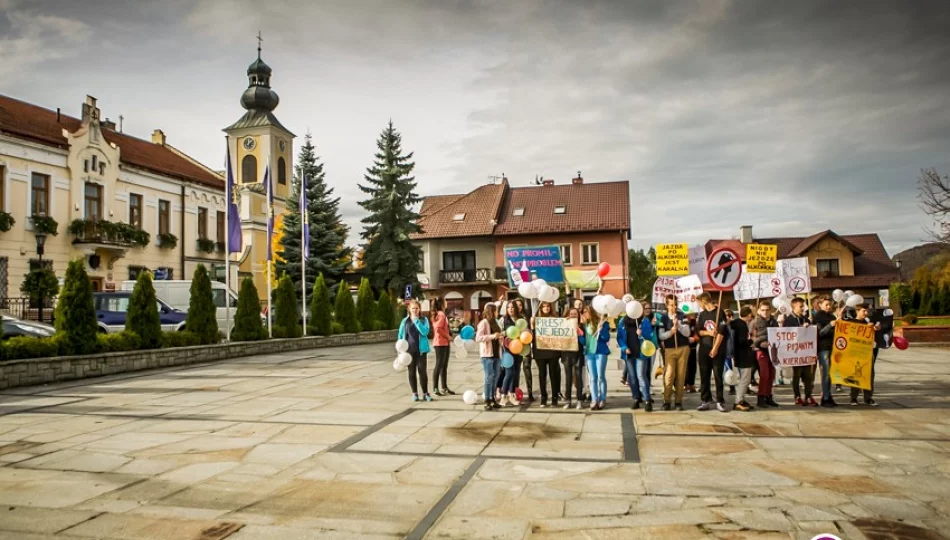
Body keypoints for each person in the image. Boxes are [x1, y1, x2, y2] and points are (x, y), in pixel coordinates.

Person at [618, 302, 656, 412]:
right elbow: (619, 337)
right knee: (632, 378)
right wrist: (624, 347)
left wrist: (641, 334)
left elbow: (649, 336)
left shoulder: (644, 321)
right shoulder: (622, 321)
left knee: (641, 376)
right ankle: (636, 398)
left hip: (641, 353)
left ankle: (647, 400)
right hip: (629, 353)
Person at [696, 293, 730, 412]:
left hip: (718, 350)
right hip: (704, 349)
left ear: (703, 301)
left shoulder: (719, 312)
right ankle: (706, 399)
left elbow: (721, 332)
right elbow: (699, 331)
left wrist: (715, 348)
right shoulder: (702, 314)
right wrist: (709, 333)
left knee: (717, 375)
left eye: (699, 303)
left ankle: (720, 400)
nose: (699, 305)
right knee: (704, 375)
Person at [844, 303, 882, 407]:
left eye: (866, 311)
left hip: (867, 353)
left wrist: (875, 329)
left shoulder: (868, 323)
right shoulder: (851, 322)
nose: (866, 313)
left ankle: (868, 398)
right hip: (855, 354)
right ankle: (853, 398)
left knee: (869, 375)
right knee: (856, 375)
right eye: (863, 311)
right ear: (857, 311)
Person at [658, 294, 690, 411]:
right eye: (671, 305)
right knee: (669, 375)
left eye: (675, 304)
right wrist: (671, 332)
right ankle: (667, 401)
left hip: (682, 348)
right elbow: (661, 336)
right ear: (666, 305)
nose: (674, 307)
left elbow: (687, 333)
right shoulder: (663, 318)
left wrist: (679, 325)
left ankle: (678, 402)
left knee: (681, 376)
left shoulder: (682, 316)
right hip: (670, 349)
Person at [397, 300, 433, 402]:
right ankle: (415, 393)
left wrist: (416, 320)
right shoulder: (405, 321)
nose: (415, 310)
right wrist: (400, 350)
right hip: (409, 352)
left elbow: (425, 332)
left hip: (421, 351)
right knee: (411, 372)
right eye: (413, 308)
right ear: (409, 309)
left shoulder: (423, 319)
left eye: (417, 308)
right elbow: (400, 336)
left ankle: (426, 393)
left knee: (422, 371)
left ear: (419, 309)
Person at [783, 298, 816, 406]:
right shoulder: (788, 320)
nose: (803, 308)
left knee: (808, 376)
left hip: (806, 352)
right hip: (795, 353)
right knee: (797, 375)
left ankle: (808, 396)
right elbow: (788, 335)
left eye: (803, 306)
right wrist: (801, 328)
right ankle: (797, 396)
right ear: (794, 307)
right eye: (800, 306)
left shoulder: (806, 318)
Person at [476, 303, 505, 411]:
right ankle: (487, 399)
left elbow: (497, 336)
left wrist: (500, 337)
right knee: (489, 377)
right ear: (492, 311)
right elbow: (478, 338)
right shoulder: (484, 322)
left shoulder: (495, 322)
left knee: (496, 376)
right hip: (487, 354)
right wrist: (493, 336)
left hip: (497, 353)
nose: (497, 312)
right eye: (496, 310)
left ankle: (493, 398)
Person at [532, 301, 561, 408]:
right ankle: (543, 397)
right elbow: (532, 335)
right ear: (540, 308)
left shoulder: (555, 318)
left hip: (553, 350)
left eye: (548, 306)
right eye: (544, 306)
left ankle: (554, 397)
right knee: (542, 374)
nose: (546, 308)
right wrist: (532, 325)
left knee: (553, 374)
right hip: (540, 350)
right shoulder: (535, 319)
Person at [751, 300, 779, 408]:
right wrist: (764, 339)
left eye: (767, 310)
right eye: (763, 310)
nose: (765, 312)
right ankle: (761, 397)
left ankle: (768, 396)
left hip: (772, 351)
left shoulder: (774, 321)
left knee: (771, 375)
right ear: (758, 311)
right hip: (760, 350)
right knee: (764, 375)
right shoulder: (755, 322)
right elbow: (751, 338)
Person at [812, 295, 839, 407]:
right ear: (820, 305)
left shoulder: (832, 316)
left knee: (831, 374)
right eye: (826, 305)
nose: (829, 306)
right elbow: (820, 333)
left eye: (830, 304)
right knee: (826, 374)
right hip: (823, 348)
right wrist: (830, 326)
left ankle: (828, 395)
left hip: (833, 347)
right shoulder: (818, 317)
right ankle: (825, 398)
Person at [584, 307, 611, 410]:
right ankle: (594, 399)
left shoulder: (603, 323)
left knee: (601, 376)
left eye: (586, 312)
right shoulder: (584, 324)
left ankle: (602, 398)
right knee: (593, 377)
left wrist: (601, 330)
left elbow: (606, 338)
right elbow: (583, 339)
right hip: (590, 352)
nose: (584, 314)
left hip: (601, 352)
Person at [731, 306, 756, 411]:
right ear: (749, 314)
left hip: (738, 355)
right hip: (743, 355)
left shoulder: (736, 323)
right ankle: (738, 401)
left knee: (743, 379)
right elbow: (742, 341)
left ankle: (741, 398)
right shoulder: (742, 325)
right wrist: (751, 340)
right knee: (745, 379)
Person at [561, 307, 586, 410]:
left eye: (575, 314)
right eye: (571, 314)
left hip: (578, 355)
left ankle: (579, 400)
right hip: (566, 355)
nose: (573, 315)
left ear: (578, 315)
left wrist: (579, 332)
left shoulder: (582, 327)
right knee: (568, 378)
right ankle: (568, 401)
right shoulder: (563, 325)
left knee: (578, 378)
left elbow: (584, 342)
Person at [500, 302, 524, 406]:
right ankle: (503, 395)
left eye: (512, 307)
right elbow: (499, 333)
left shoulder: (521, 320)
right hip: (507, 350)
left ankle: (512, 394)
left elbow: (525, 332)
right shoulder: (503, 320)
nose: (510, 309)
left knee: (515, 373)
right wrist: (506, 333)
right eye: (508, 307)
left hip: (519, 350)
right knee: (509, 373)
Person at [430, 297, 454, 397]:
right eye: (445, 301)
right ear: (442, 303)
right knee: (439, 365)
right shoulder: (441, 314)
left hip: (444, 343)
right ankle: (435, 388)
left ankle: (444, 387)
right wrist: (448, 336)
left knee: (444, 366)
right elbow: (438, 329)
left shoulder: (441, 314)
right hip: (440, 343)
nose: (447, 302)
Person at [515, 298, 536, 402]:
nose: (519, 307)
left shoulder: (526, 316)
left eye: (520, 305)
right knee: (515, 371)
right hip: (514, 348)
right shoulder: (512, 318)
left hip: (526, 347)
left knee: (527, 370)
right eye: (517, 305)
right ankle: (515, 392)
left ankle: (530, 392)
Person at [685, 313, 699, 393]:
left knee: (692, 367)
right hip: (683, 347)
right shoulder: (682, 320)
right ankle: (684, 384)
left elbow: (697, 334)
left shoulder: (694, 322)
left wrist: (695, 338)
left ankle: (691, 384)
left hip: (693, 348)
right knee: (684, 367)